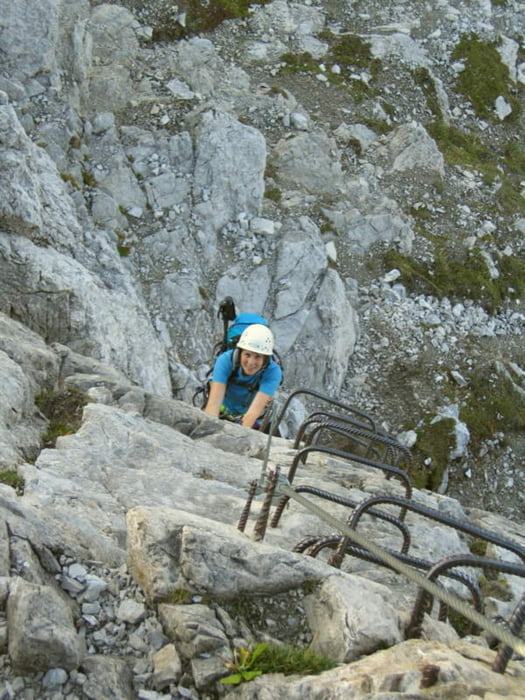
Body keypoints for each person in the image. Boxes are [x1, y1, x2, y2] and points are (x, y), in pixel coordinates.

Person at [203, 324, 282, 430]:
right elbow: (213, 404)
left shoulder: (273, 372)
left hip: (254, 420)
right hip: (224, 411)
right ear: (240, 352)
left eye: (257, 357)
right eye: (247, 355)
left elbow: (252, 415)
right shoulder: (225, 361)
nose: (251, 363)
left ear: (265, 359)